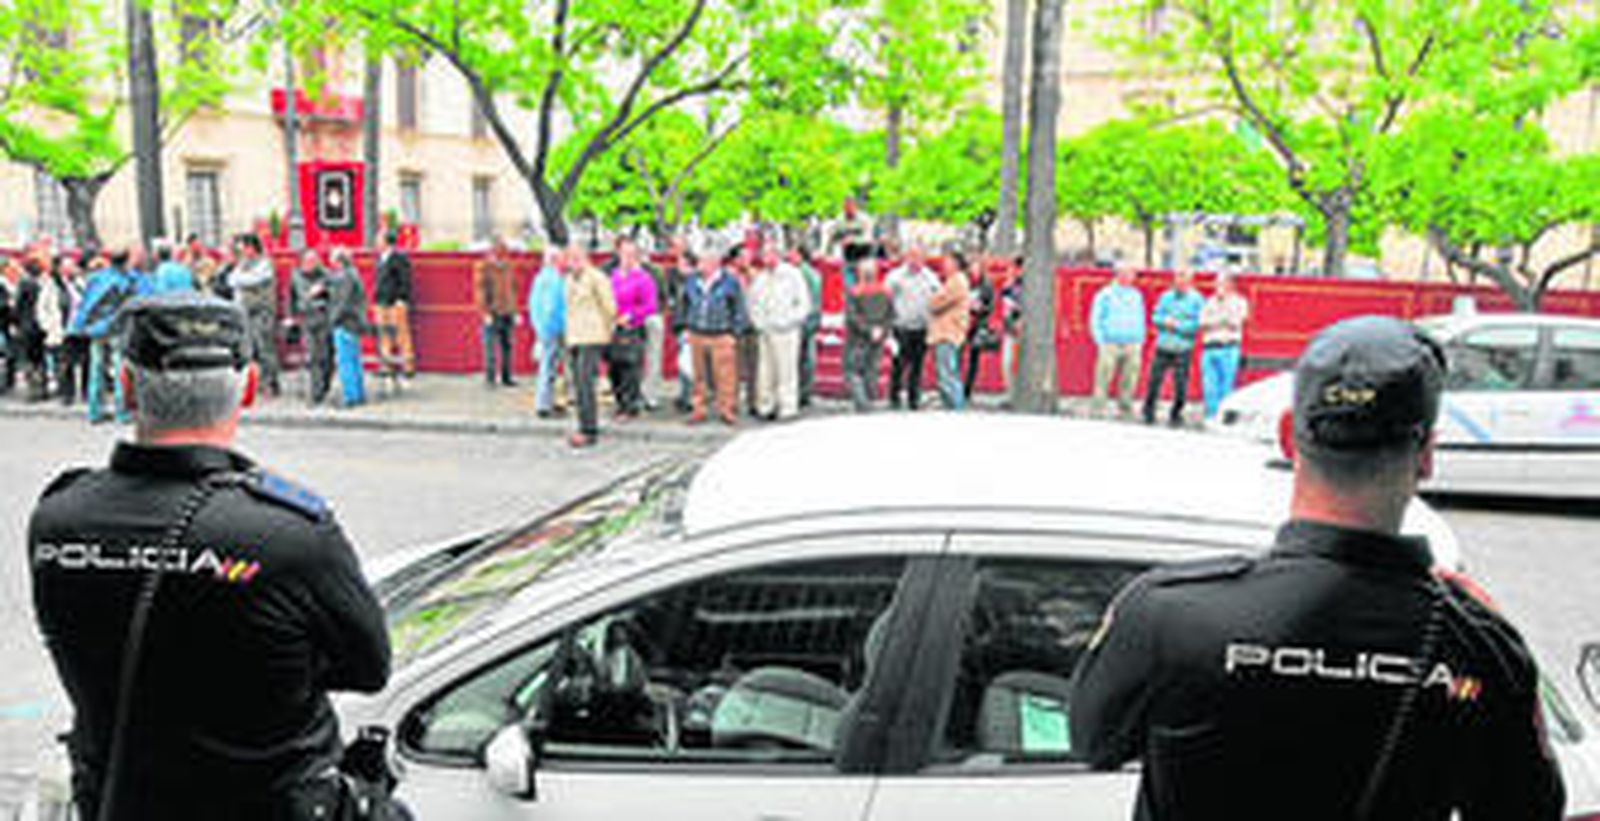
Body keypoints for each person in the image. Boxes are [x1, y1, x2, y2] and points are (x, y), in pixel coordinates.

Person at [1069, 315, 1565, 821]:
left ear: (1288, 436)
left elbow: (1091, 743)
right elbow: (1530, 809)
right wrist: (1491, 629)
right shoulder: (1478, 647)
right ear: (1426, 456)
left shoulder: (1165, 613)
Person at [29, 292, 393, 820]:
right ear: (247, 389)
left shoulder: (58, 519)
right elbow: (367, 668)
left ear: (126, 384)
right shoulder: (289, 533)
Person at [72, 248, 145, 423]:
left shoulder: (97, 278)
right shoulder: (129, 280)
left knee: (96, 368)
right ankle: (121, 412)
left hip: (96, 330)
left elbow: (86, 303)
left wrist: (80, 325)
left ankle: (94, 411)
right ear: (125, 260)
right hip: (117, 329)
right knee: (120, 369)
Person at [682, 245, 749, 426]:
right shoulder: (691, 280)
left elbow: (739, 309)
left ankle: (726, 409)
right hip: (697, 332)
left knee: (725, 375)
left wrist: (734, 333)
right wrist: (684, 328)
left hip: (721, 334)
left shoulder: (729, 281)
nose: (699, 265)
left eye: (703, 261)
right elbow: (684, 304)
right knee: (698, 375)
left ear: (714, 263)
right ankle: (699, 409)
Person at [747, 243, 812, 421]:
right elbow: (752, 302)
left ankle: (788, 406)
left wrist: (788, 321)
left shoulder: (793, 275)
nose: (765, 259)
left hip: (787, 331)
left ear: (777, 255)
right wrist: (758, 322)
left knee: (787, 370)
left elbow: (804, 304)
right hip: (765, 330)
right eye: (763, 255)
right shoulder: (760, 278)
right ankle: (766, 405)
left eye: (769, 254)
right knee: (765, 371)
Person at [564, 244, 618, 447]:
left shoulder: (597, 278)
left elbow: (609, 307)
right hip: (574, 337)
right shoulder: (569, 279)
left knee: (586, 384)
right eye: (570, 259)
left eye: (577, 258)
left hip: (592, 336)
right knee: (578, 384)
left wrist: (607, 331)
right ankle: (583, 424)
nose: (573, 263)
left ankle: (589, 430)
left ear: (586, 258)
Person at [1141, 269, 1204, 427]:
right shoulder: (1166, 297)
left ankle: (1176, 413)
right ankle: (1148, 411)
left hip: (1183, 346)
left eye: (1184, 281)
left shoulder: (1197, 300)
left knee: (1181, 383)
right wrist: (1163, 321)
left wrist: (1178, 326)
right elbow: (1155, 316)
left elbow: (1198, 324)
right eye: (1178, 280)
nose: (1180, 283)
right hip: (1163, 344)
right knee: (1154, 380)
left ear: (1190, 282)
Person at [607, 237, 659, 419]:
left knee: (630, 367)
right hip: (612, 327)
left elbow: (650, 305)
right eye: (624, 253)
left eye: (631, 254)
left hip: (632, 327)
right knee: (614, 368)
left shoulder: (643, 278)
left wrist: (631, 315)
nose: (628, 258)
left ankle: (630, 406)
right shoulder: (612, 275)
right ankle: (619, 402)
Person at [884, 246, 938, 411]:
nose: (915, 260)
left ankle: (914, 398)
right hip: (901, 326)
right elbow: (886, 297)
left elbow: (938, 296)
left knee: (917, 365)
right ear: (906, 258)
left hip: (922, 327)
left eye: (919, 257)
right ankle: (894, 396)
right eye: (912, 256)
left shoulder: (930, 277)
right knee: (899, 364)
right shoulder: (895, 276)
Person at [1090, 267, 1147, 419]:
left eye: (1133, 274)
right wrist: (1100, 340)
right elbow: (1096, 317)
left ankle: (1125, 407)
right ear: (1120, 274)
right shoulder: (1105, 294)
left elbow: (1140, 316)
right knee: (1104, 375)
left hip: (1132, 342)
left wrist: (1140, 339)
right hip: (1110, 342)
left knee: (1130, 376)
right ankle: (1098, 407)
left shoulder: (1136, 295)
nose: (1132, 277)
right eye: (1129, 273)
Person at [230, 234, 281, 396]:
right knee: (250, 350)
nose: (243, 251)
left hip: (262, 312)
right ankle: (256, 384)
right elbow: (230, 280)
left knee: (265, 348)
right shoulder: (243, 264)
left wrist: (240, 278)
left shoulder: (264, 264)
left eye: (245, 247)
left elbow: (251, 280)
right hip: (246, 313)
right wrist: (239, 278)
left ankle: (271, 383)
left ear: (253, 247)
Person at [844, 258, 894, 412]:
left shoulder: (854, 292)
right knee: (871, 369)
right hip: (878, 338)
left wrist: (868, 330)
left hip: (857, 338)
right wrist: (881, 331)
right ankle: (871, 398)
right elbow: (890, 315)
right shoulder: (885, 291)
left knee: (853, 371)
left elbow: (852, 317)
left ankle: (862, 403)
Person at [1200, 272, 1250, 420]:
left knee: (1226, 386)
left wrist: (1216, 319)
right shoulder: (1209, 302)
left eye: (1221, 284)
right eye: (1216, 284)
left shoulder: (1240, 302)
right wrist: (1222, 320)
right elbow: (1202, 323)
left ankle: (1223, 417)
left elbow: (1235, 322)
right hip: (1209, 347)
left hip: (1229, 348)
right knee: (1209, 386)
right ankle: (1210, 415)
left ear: (1230, 285)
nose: (1217, 287)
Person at [528, 246, 568, 418]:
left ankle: (546, 402)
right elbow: (555, 307)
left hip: (542, 327)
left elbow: (533, 304)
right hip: (553, 328)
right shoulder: (555, 279)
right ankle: (544, 404)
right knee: (549, 367)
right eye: (561, 258)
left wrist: (538, 328)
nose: (564, 261)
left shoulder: (540, 278)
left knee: (547, 366)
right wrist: (559, 327)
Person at [290, 250, 334, 405]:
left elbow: (334, 295)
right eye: (308, 262)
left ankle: (325, 386)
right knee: (313, 355)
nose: (310, 265)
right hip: (307, 318)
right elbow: (292, 297)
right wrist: (291, 316)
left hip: (323, 317)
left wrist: (324, 290)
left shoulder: (326, 275)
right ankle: (316, 393)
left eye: (314, 261)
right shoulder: (296, 276)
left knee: (325, 355)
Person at [474, 237, 519, 388]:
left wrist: (515, 310)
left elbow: (513, 289)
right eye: (500, 251)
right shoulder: (483, 267)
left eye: (504, 251)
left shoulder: (508, 266)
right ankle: (490, 378)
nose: (503, 255)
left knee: (508, 346)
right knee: (490, 348)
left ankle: (506, 376)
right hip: (493, 312)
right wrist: (485, 312)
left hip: (507, 311)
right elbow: (480, 291)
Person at [926, 255, 971, 410]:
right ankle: (950, 406)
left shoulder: (956, 281)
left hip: (948, 332)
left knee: (948, 373)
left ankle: (956, 407)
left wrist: (932, 296)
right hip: (948, 332)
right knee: (946, 371)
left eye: (948, 263)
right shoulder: (954, 281)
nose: (944, 265)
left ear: (956, 264)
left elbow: (936, 303)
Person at [326, 248, 369, 408]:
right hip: (354, 322)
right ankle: (358, 393)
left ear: (339, 261)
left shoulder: (345, 277)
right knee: (354, 359)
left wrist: (332, 319)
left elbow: (342, 302)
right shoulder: (353, 274)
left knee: (345, 361)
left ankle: (350, 396)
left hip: (345, 322)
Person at [373, 229, 416, 378]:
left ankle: (408, 365)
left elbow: (405, 279)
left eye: (379, 239)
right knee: (384, 333)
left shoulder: (399, 257)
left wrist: (402, 299)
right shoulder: (379, 258)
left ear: (386, 241)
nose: (376, 242)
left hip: (395, 301)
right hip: (381, 301)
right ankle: (386, 365)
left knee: (401, 333)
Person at [962, 254, 998, 400]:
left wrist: (981, 309)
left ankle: (968, 390)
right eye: (972, 267)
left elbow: (990, 306)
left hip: (978, 323)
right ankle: (956, 387)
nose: (974, 270)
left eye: (977, 267)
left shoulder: (986, 284)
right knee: (957, 355)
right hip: (963, 322)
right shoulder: (963, 282)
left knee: (974, 358)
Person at [795, 247, 823, 409]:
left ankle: (803, 391)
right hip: (810, 319)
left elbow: (812, 300)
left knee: (802, 358)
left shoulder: (803, 274)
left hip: (804, 320)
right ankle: (805, 391)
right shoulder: (813, 274)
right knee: (807, 358)